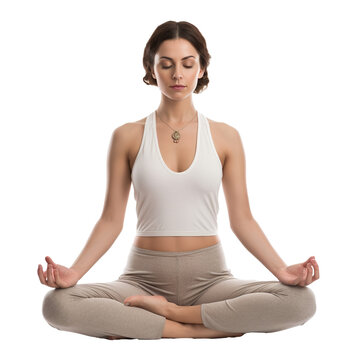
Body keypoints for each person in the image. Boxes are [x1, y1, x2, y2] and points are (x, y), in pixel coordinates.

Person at [38, 20, 319, 340]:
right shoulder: (127, 136)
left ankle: (171, 316)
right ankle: (198, 330)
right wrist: (74, 273)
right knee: (58, 305)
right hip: (141, 280)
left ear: (201, 68)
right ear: (151, 68)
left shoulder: (226, 136)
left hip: (212, 281)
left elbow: (242, 219)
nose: (177, 75)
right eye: (166, 64)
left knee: (300, 301)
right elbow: (110, 220)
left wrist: (282, 271)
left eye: (188, 64)